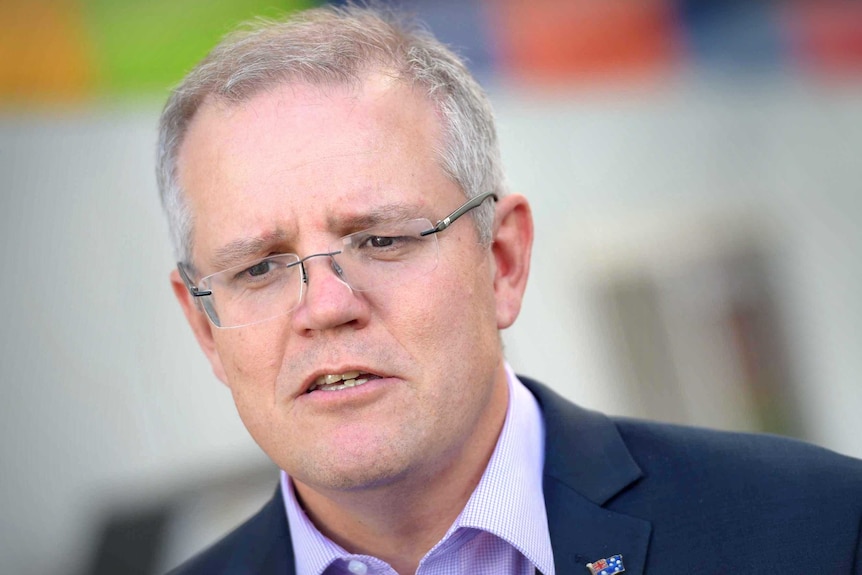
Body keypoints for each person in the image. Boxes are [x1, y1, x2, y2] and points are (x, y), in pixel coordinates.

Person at [157, 5, 862, 574]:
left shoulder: (813, 528)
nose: (328, 305)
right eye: (259, 268)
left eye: (381, 239)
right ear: (203, 329)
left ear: (501, 259)